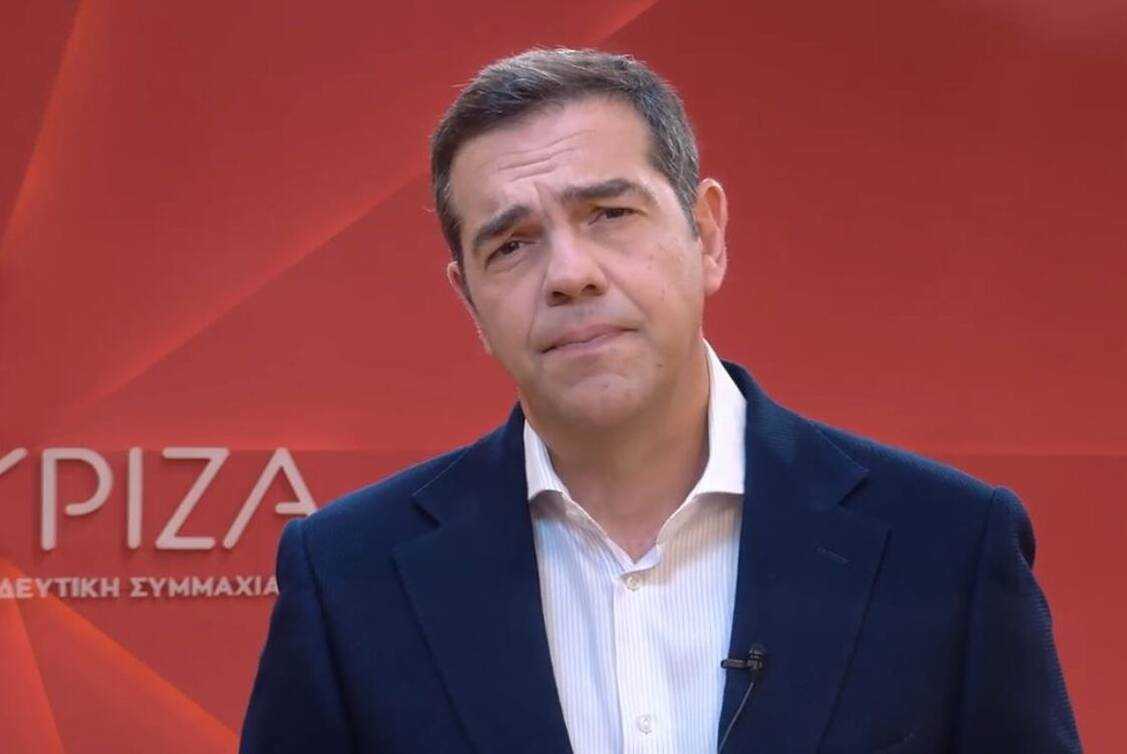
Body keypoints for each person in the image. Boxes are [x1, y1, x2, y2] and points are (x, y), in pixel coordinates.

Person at [241, 47, 1084, 753]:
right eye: (512, 245)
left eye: (609, 214)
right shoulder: (349, 577)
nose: (570, 274)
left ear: (706, 235)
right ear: (468, 301)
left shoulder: (945, 547)